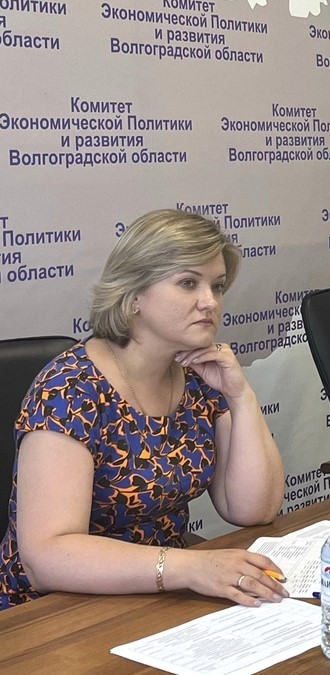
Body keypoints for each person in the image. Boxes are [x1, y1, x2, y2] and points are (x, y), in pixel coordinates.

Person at [1, 210, 287, 610]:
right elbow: (46, 557)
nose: (210, 301)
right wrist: (191, 567)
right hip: (53, 610)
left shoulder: (199, 375)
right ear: (134, 295)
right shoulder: (70, 388)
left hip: (159, 595)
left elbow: (254, 510)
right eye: (188, 283)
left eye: (217, 285)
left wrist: (241, 397)